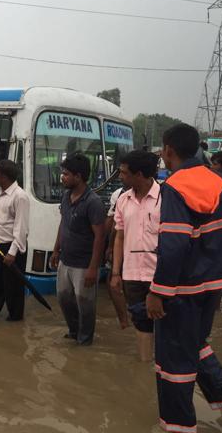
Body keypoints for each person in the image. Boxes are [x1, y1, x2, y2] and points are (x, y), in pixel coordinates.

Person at [146, 123, 222, 433]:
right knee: (195, 347)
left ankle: (180, 432)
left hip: (181, 289)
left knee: (173, 360)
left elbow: (173, 244)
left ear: (168, 149)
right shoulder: (220, 182)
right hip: (213, 286)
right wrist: (207, 258)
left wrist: (157, 292)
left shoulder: (174, 185)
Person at [49, 153, 106, 345]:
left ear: (78, 176)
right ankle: (74, 331)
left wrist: (93, 268)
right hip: (66, 260)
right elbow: (63, 223)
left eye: (66, 174)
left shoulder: (93, 202)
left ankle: (85, 340)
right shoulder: (66, 196)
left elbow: (100, 236)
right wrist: (56, 250)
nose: (62, 177)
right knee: (64, 299)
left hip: (84, 264)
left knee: (85, 303)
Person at [111, 151, 161, 361]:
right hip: (131, 274)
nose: (120, 176)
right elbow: (119, 237)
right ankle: (144, 366)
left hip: (159, 274)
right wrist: (115, 273)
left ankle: (163, 369)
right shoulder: (123, 199)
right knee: (141, 322)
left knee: (164, 322)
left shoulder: (165, 197)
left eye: (123, 173)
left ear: (138, 174)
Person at [0, 160, 30, 321]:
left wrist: (12, 253)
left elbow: (21, 228)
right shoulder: (1, 191)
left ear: (4, 177)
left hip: (11, 250)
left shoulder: (20, 196)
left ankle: (15, 319)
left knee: (13, 288)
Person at [105, 186, 130, 329]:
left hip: (144, 251)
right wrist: (109, 246)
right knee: (113, 281)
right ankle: (124, 320)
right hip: (120, 246)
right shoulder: (119, 195)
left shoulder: (160, 193)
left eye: (124, 173)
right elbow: (113, 223)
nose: (121, 176)